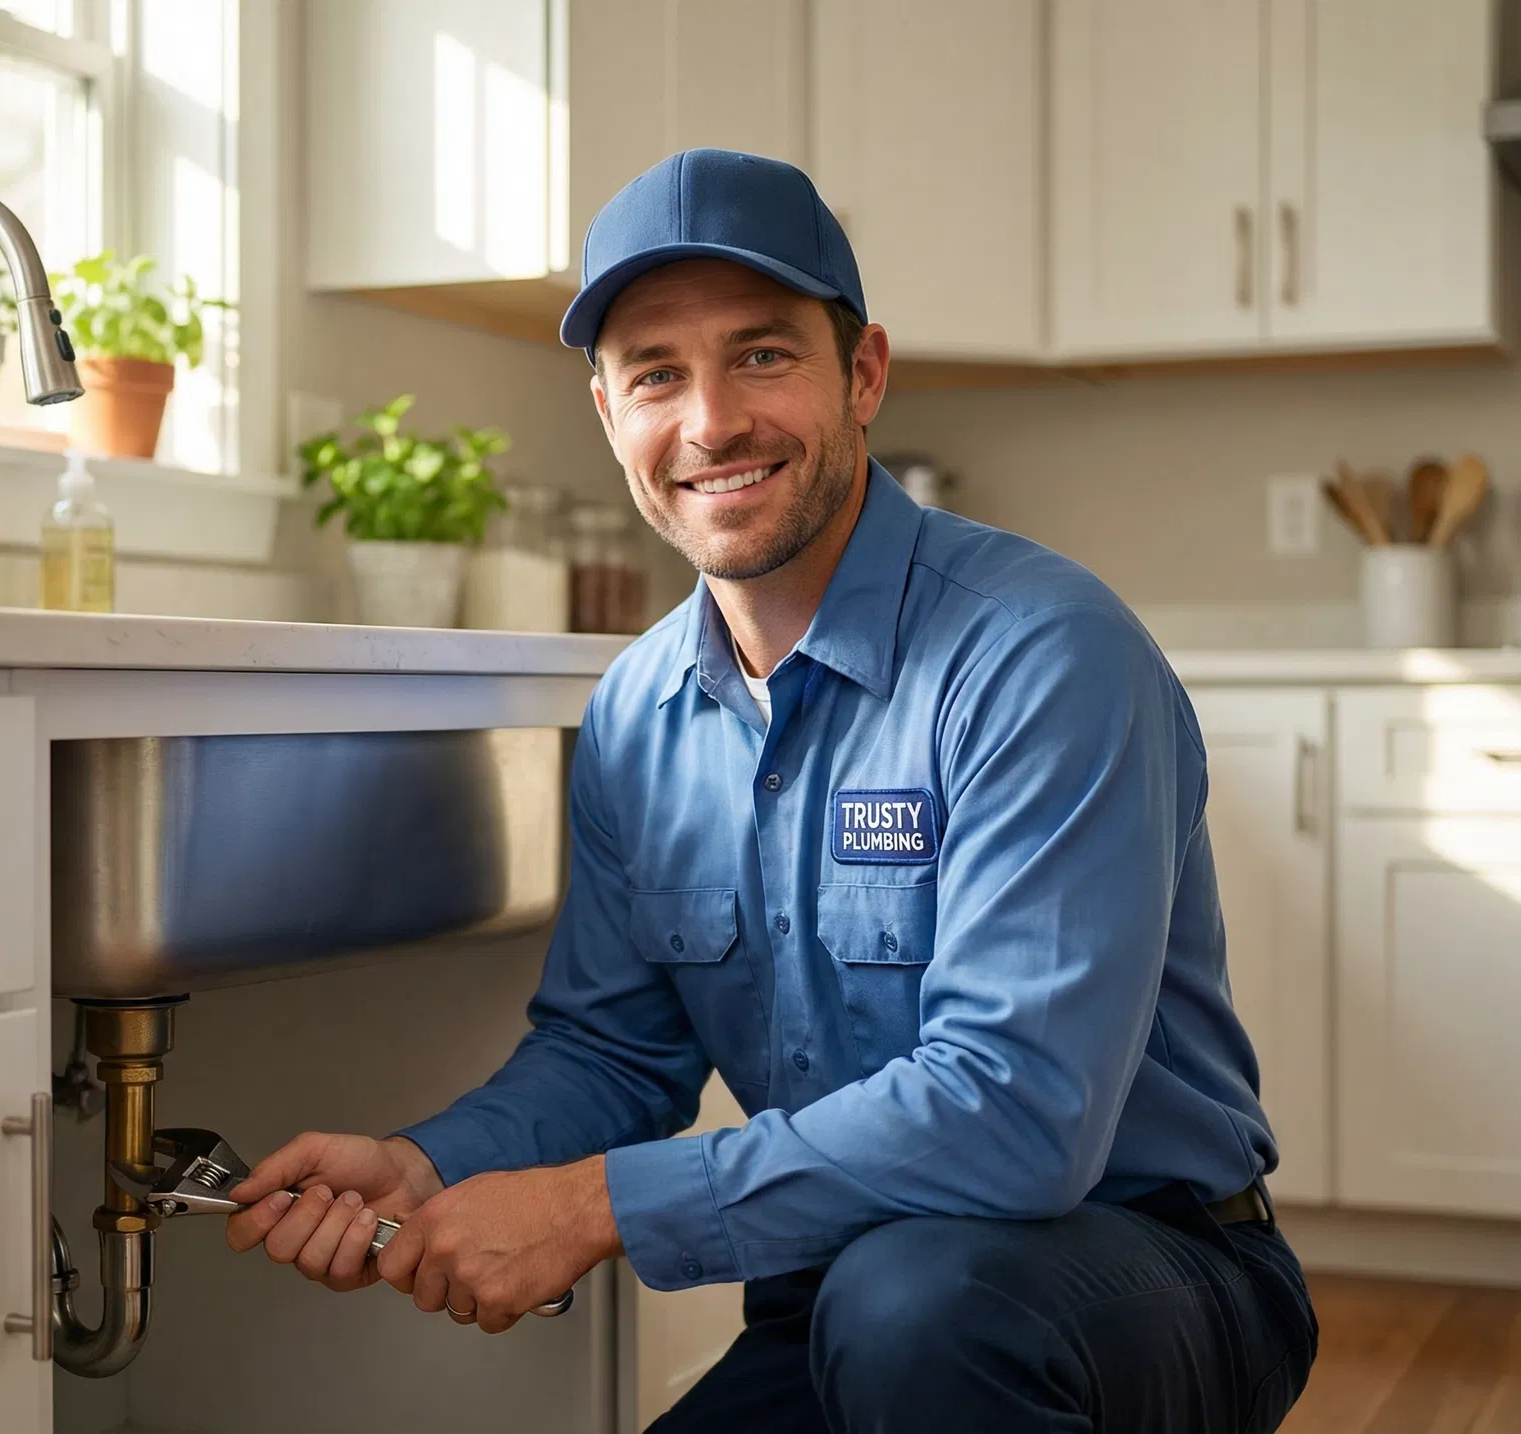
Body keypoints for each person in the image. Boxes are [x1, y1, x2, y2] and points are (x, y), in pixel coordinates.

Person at [224, 149, 1318, 1434]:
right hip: (847, 1292)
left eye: (762, 356)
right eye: (655, 375)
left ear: (863, 374)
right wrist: (427, 1162)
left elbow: (1018, 1114)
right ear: (607, 414)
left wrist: (587, 1210)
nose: (710, 423)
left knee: (919, 1309)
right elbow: (612, 1048)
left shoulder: (1040, 654)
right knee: (885, 1304)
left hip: (1139, 1275)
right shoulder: (639, 713)